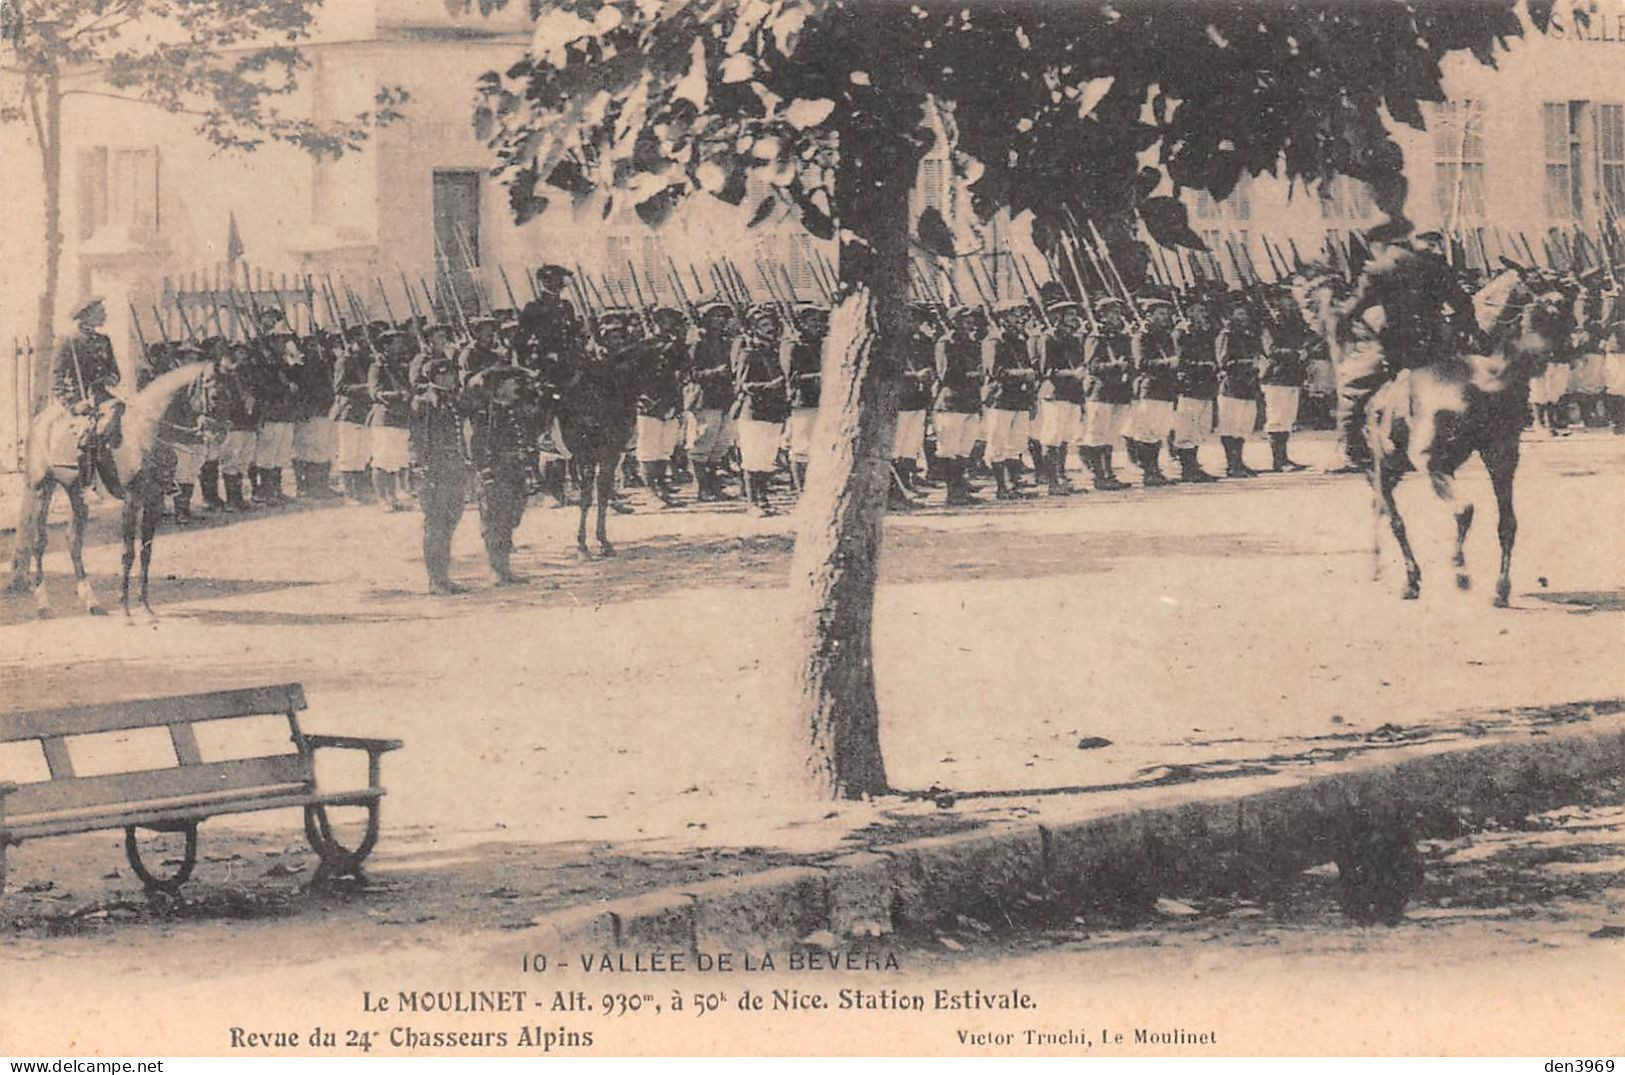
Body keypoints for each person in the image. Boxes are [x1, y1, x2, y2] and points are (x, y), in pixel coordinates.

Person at [410, 356, 472, 594]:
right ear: (435, 376)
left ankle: (444, 577)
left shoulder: (451, 400)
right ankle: (435, 580)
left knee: (450, 524)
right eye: (446, 374)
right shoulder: (425, 402)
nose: (452, 378)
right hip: (434, 472)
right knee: (436, 526)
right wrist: (422, 468)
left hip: (453, 469)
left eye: (453, 374)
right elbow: (418, 439)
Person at [466, 365, 534, 584]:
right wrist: (485, 473)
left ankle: (505, 569)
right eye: (511, 382)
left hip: (514, 471)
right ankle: (496, 570)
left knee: (511, 518)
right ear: (499, 387)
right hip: (497, 472)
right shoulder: (486, 413)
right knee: (495, 520)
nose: (516, 385)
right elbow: (477, 445)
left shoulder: (511, 410)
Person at [734, 304, 790, 517]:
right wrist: (769, 386)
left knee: (767, 460)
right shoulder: (749, 353)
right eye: (764, 325)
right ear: (755, 329)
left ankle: (764, 499)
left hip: (773, 413)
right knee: (752, 458)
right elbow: (744, 385)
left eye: (772, 325)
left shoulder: (776, 353)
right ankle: (752, 502)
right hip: (754, 412)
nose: (770, 329)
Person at [983, 303, 1039, 499]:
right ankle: (1001, 486)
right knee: (998, 443)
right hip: (1001, 398)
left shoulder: (1020, 340)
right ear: (1003, 319)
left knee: (1017, 442)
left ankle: (1014, 484)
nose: (1020, 320)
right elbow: (995, 371)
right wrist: (1022, 374)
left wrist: (1032, 399)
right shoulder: (994, 341)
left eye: (1020, 316)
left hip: (1020, 399)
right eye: (1015, 316)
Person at [685, 302, 739, 501]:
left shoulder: (727, 342)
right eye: (715, 316)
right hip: (705, 397)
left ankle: (713, 485)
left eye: (722, 317)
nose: (720, 320)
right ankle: (701, 487)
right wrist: (714, 372)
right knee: (704, 441)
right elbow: (690, 373)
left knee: (721, 443)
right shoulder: (698, 343)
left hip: (724, 396)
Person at [635, 307, 689, 506]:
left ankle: (662, 488)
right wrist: (641, 397)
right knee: (649, 449)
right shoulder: (643, 346)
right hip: (650, 401)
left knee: (665, 449)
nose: (667, 324)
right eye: (663, 320)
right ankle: (651, 491)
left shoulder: (677, 346)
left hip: (671, 401)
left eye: (671, 320)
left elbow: (683, 372)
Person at [934, 306, 987, 505]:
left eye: (972, 321)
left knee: (964, 449)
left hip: (970, 403)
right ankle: (952, 492)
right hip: (952, 402)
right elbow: (945, 374)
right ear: (955, 322)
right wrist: (971, 375)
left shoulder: (972, 344)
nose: (971, 324)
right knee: (950, 448)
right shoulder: (946, 343)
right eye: (966, 321)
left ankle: (961, 489)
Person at [1080, 297, 1133, 490]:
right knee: (1097, 434)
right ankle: (1098, 475)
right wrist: (1115, 366)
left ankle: (1108, 473)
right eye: (1111, 312)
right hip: (1101, 392)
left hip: (1120, 393)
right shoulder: (1096, 337)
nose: (1116, 316)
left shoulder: (1123, 337)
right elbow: (1092, 366)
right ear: (1101, 315)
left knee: (1112, 435)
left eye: (1118, 312)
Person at [1037, 300, 1087, 496]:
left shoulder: (1074, 339)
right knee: (1052, 438)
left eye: (1074, 314)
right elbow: (1046, 370)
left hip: (1072, 394)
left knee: (1065, 437)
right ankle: (1052, 482)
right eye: (1069, 315)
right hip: (1055, 393)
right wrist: (1072, 374)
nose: (1074, 318)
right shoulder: (1049, 339)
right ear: (1058, 318)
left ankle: (1061, 477)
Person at [1129, 296, 1179, 487]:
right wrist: (1167, 363)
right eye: (1160, 314)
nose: (1165, 317)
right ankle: (1148, 472)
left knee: (1160, 430)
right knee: (1148, 431)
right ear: (1149, 315)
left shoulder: (1165, 336)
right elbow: (1141, 363)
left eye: (1166, 314)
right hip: (1151, 387)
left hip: (1166, 389)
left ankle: (1155, 469)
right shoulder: (1142, 337)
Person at [1171, 295, 1220, 483]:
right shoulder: (1181, 333)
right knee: (1186, 428)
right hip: (1189, 386)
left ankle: (1194, 466)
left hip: (1205, 386)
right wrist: (1202, 365)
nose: (1203, 314)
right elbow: (1180, 360)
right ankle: (1187, 470)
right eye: (1198, 311)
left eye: (1203, 311)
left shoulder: (1204, 331)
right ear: (1189, 312)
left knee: (1199, 427)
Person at [1261, 287, 1310, 471]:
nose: (1289, 304)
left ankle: (1284, 458)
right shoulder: (1268, 325)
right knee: (1277, 418)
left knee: (1288, 418)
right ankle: (1278, 460)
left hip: (1292, 376)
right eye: (1285, 300)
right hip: (1276, 376)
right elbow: (1271, 350)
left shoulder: (1296, 323)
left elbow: (1308, 338)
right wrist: (1296, 353)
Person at [1215, 297, 1265, 478]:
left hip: (1248, 386)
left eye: (1245, 313)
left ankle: (1239, 462)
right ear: (1231, 315)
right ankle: (1231, 465)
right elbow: (1223, 361)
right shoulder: (1227, 335)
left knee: (1243, 426)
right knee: (1230, 425)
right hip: (1233, 386)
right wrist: (1246, 363)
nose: (1244, 317)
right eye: (1240, 313)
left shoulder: (1249, 335)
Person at [893, 305, 938, 500]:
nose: (913, 323)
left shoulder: (925, 342)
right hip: (901, 399)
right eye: (909, 319)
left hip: (919, 399)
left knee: (911, 445)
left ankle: (907, 482)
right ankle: (895, 490)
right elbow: (890, 372)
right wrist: (914, 376)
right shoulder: (893, 343)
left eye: (916, 319)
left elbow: (932, 366)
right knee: (898, 445)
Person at [367, 329, 414, 509]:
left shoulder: (399, 366)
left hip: (401, 418)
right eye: (396, 343)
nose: (401, 346)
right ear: (386, 346)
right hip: (385, 418)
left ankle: (393, 497)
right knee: (382, 460)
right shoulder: (378, 367)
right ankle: (382, 498)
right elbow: (375, 392)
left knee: (397, 460)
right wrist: (397, 395)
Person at [785, 303, 828, 492]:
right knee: (802, 446)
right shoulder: (794, 346)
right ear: (801, 323)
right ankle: (800, 489)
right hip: (803, 400)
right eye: (812, 321)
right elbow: (791, 378)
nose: (817, 325)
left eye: (819, 321)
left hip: (823, 400)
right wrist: (819, 376)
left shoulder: (823, 344)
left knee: (820, 445)